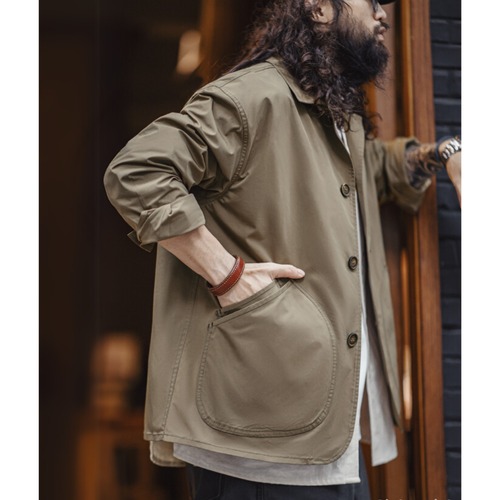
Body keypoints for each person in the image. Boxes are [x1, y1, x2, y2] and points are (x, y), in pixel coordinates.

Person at [104, 0, 462, 498]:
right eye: (372, 0)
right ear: (319, 9)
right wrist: (227, 275)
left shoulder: (334, 114)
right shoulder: (252, 96)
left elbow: (370, 170)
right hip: (256, 443)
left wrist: (441, 153)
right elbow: (138, 171)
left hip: (328, 437)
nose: (384, 14)